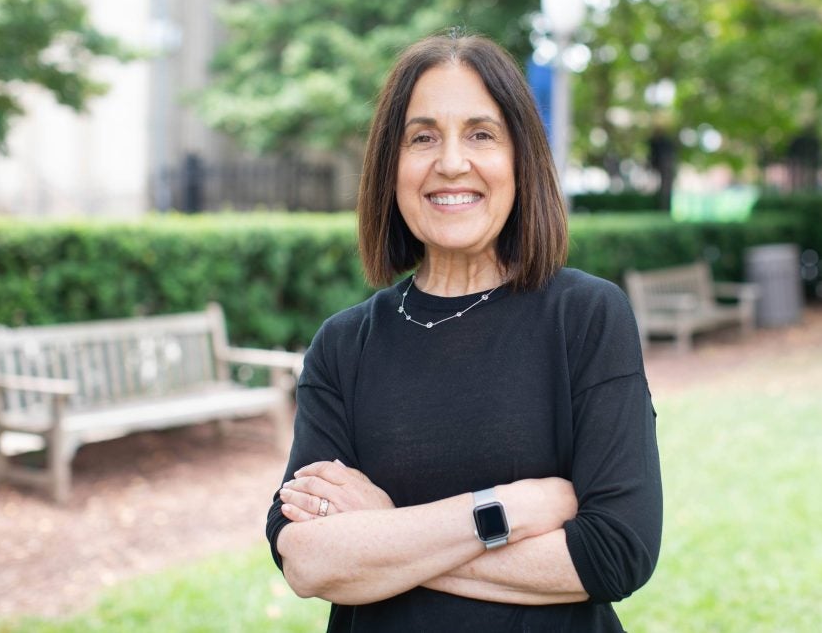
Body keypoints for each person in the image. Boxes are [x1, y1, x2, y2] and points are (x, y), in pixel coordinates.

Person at [266, 32, 662, 633]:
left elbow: (614, 553)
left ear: (520, 160)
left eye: (481, 134)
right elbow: (306, 561)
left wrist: (383, 529)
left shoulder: (585, 316)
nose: (451, 162)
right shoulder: (344, 346)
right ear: (390, 167)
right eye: (423, 137)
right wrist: (506, 512)